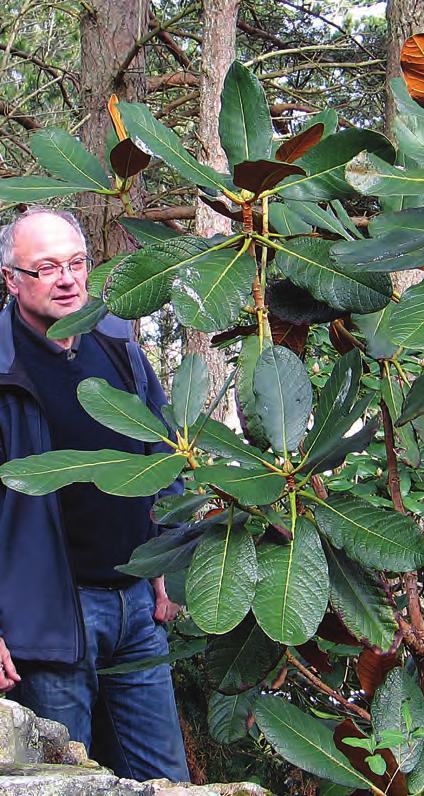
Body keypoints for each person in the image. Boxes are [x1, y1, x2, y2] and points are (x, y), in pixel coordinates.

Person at [0, 207, 189, 783]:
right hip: (48, 617)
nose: (67, 279)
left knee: (167, 780)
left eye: (77, 263)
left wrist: (166, 556)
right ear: (11, 279)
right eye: (47, 267)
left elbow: (164, 448)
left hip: (136, 604)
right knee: (64, 784)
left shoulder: (117, 341)